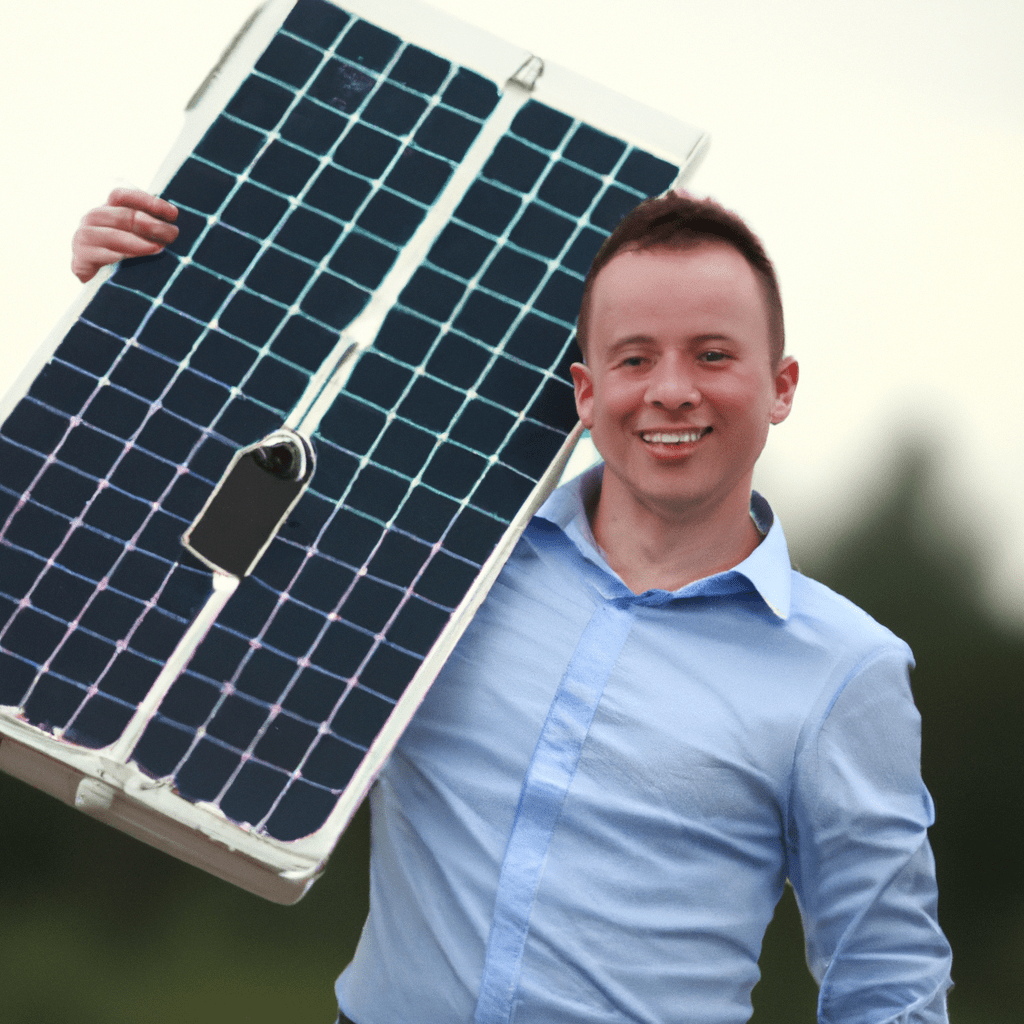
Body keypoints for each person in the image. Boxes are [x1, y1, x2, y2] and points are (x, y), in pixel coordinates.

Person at [73, 187, 953, 1023]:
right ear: (585, 392)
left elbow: (889, 979)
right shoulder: (443, 570)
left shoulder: (844, 668)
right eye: (635, 358)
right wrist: (137, 304)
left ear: (783, 386)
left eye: (713, 355)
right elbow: (177, 568)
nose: (672, 390)